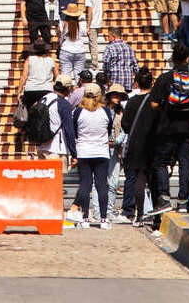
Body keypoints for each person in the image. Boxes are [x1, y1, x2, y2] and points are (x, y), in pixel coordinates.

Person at [147, 41, 189, 216]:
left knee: (161, 162)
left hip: (167, 126)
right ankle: (183, 200)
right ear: (188, 58)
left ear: (173, 59)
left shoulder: (165, 78)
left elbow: (153, 104)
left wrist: (167, 108)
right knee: (185, 163)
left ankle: (164, 197)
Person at [66, 85, 112, 228]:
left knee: (85, 185)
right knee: (101, 185)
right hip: (101, 151)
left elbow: (75, 131)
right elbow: (109, 128)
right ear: (99, 96)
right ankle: (103, 219)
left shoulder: (79, 111)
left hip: (84, 152)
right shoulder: (105, 111)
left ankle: (85, 217)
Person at [120, 66, 155, 224]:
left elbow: (125, 125)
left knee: (138, 179)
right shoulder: (155, 101)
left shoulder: (131, 101)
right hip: (153, 142)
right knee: (154, 179)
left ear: (136, 83)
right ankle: (156, 212)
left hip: (135, 144)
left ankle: (139, 213)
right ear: (151, 82)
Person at [37, 76, 77, 169]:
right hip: (57, 149)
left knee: (44, 181)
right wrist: (74, 154)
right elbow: (69, 130)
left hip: (41, 147)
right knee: (58, 182)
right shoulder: (63, 103)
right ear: (67, 88)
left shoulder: (43, 98)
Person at [104, 83, 128, 223]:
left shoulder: (121, 112)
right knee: (102, 180)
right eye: (115, 94)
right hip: (102, 147)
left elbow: (124, 130)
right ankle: (102, 209)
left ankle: (109, 209)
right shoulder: (102, 110)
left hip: (115, 148)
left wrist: (117, 141)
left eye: (119, 95)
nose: (117, 97)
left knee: (113, 181)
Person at [17, 38, 58, 110]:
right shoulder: (51, 60)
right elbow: (57, 76)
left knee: (29, 112)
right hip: (47, 89)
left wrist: (19, 90)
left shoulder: (29, 59)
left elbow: (24, 76)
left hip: (31, 89)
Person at [102, 27, 139, 92]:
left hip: (115, 82)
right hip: (128, 82)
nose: (107, 38)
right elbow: (136, 66)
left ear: (113, 36)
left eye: (108, 36)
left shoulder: (109, 48)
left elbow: (106, 64)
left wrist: (107, 78)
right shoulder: (129, 47)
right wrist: (136, 80)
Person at [79, 0, 102, 67]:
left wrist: (88, 26)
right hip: (98, 22)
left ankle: (94, 63)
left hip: (92, 23)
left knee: (92, 43)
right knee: (94, 42)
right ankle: (94, 61)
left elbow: (90, 11)